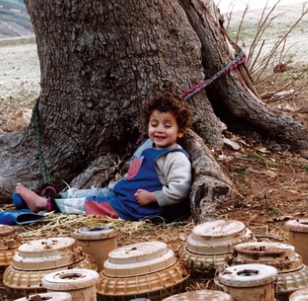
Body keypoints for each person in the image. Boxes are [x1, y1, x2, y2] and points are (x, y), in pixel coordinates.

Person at [15, 91, 192, 221]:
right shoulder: (147, 144)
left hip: (134, 208)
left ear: (181, 131)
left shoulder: (175, 158)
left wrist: (153, 197)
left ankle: (42, 205)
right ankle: (55, 197)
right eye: (154, 124)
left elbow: (179, 189)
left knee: (91, 205)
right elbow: (138, 172)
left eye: (167, 126)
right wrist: (124, 183)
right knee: (92, 193)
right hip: (123, 193)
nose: (159, 130)